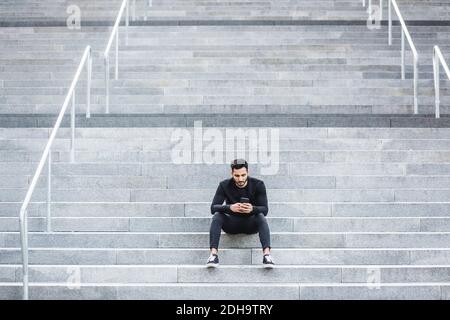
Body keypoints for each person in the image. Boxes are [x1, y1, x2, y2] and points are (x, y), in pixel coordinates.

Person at [206, 159, 274, 269]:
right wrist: (230, 208)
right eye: (236, 176)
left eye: (243, 175)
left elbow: (265, 210)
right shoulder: (224, 185)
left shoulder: (258, 184)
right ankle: (213, 255)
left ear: (248, 172)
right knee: (217, 216)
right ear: (232, 173)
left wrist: (252, 209)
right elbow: (213, 208)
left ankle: (267, 255)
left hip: (251, 224)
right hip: (231, 224)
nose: (240, 179)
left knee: (260, 216)